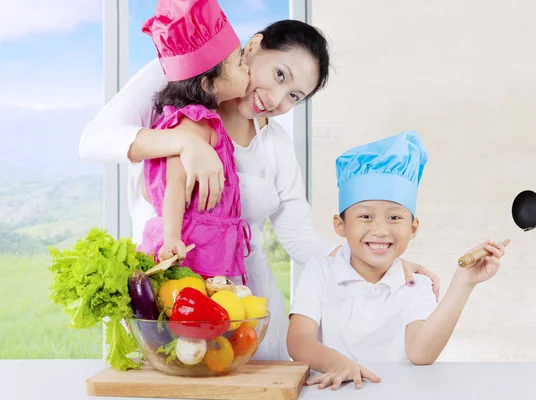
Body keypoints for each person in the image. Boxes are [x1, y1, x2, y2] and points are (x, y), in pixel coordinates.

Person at [79, 16, 440, 360]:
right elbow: (94, 141)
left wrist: (380, 257)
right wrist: (186, 145)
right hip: (165, 300)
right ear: (253, 47)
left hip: (246, 311)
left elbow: (299, 241)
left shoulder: (277, 146)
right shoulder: (182, 81)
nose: (276, 99)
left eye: (294, 96)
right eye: (279, 74)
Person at [287, 131, 509, 390]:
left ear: (413, 228)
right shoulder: (320, 272)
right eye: (365, 217)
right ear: (341, 225)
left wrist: (464, 283)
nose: (381, 230)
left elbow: (421, 354)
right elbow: (298, 342)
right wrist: (338, 363)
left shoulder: (418, 285)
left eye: (394, 218)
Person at [135, 0, 251, 283]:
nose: (247, 67)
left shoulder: (204, 120)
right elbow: (175, 181)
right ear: (208, 84)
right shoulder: (194, 122)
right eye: (239, 62)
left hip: (207, 244)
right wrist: (172, 237)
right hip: (191, 246)